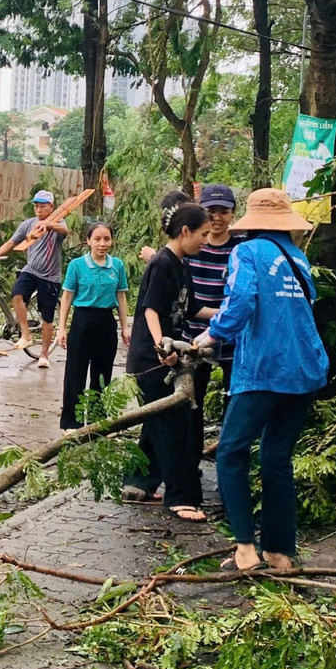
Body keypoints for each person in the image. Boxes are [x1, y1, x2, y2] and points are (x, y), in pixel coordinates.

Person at [193, 189, 329, 572]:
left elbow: (241, 301)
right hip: (306, 369)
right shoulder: (298, 258)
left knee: (231, 452)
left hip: (266, 369)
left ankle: (245, 549)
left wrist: (212, 335)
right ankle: (281, 552)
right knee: (276, 457)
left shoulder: (246, 252)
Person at [125, 203, 215, 522]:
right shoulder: (162, 263)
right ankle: (178, 498)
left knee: (158, 424)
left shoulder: (181, 263)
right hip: (153, 360)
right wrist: (162, 345)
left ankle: (137, 483)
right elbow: (151, 309)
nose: (206, 240)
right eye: (203, 234)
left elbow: (190, 308)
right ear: (185, 232)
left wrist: (225, 315)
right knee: (173, 428)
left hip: (170, 357)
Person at [186, 184, 245, 444]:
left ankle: (228, 457)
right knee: (192, 401)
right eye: (211, 211)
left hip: (233, 340)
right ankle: (191, 459)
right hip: (194, 337)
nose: (217, 218)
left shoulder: (242, 249)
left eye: (224, 211)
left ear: (233, 213)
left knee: (234, 401)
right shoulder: (192, 246)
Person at [57, 221, 130, 429]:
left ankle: (98, 423)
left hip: (106, 323)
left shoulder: (117, 265)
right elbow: (68, 296)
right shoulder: (77, 266)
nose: (102, 243)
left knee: (102, 375)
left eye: (106, 239)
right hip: (82, 322)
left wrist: (124, 327)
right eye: (97, 239)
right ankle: (71, 424)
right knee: (75, 374)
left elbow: (121, 296)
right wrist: (61, 328)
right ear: (88, 240)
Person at [0, 189, 69, 368]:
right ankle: (26, 335)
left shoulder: (58, 222)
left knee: (47, 318)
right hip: (31, 270)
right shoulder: (28, 224)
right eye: (36, 206)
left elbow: (65, 230)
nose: (39, 210)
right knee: (17, 295)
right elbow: (11, 243)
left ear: (51, 207)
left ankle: (44, 354)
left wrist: (49, 225)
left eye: (43, 206)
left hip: (50, 276)